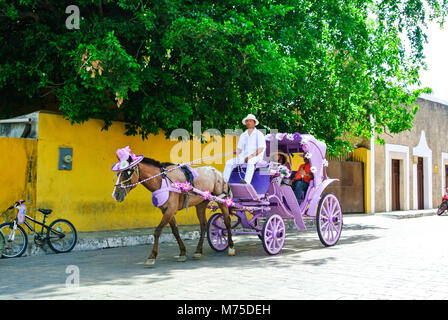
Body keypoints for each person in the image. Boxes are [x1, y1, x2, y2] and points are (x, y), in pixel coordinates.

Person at [223, 114, 266, 184]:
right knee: (229, 162)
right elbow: (239, 149)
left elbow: (261, 148)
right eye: (247, 121)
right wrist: (236, 151)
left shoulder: (259, 134)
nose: (248, 122)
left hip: (256, 156)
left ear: (254, 123)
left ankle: (246, 182)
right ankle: (224, 182)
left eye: (250, 121)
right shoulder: (243, 135)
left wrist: (250, 156)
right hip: (243, 156)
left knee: (251, 161)